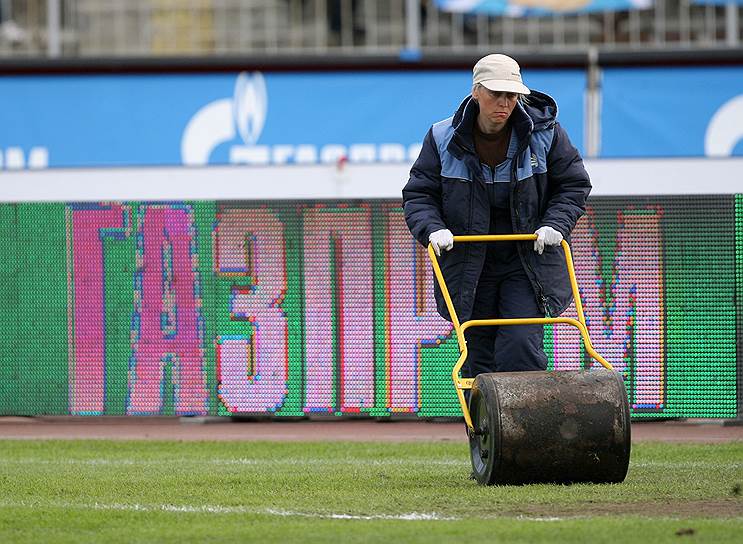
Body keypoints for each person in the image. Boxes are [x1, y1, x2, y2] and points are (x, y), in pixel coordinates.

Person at [402, 53, 591, 380]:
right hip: (468, 263)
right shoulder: (440, 138)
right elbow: (419, 195)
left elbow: (574, 185)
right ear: (476, 91)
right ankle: (486, 432)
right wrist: (433, 230)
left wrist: (555, 224)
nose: (504, 103)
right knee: (477, 357)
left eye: (512, 95)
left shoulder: (546, 134)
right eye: (495, 94)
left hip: (528, 261)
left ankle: (529, 429)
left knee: (520, 343)